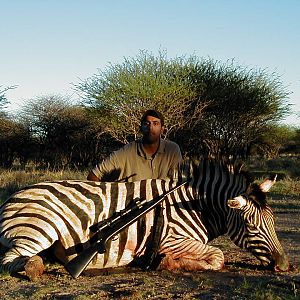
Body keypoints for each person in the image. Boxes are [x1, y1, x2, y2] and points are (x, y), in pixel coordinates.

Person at [87, 109, 182, 182]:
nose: (150, 127)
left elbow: (178, 182)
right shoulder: (126, 152)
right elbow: (93, 176)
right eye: (146, 123)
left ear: (162, 129)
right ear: (141, 128)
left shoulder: (172, 150)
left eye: (155, 123)